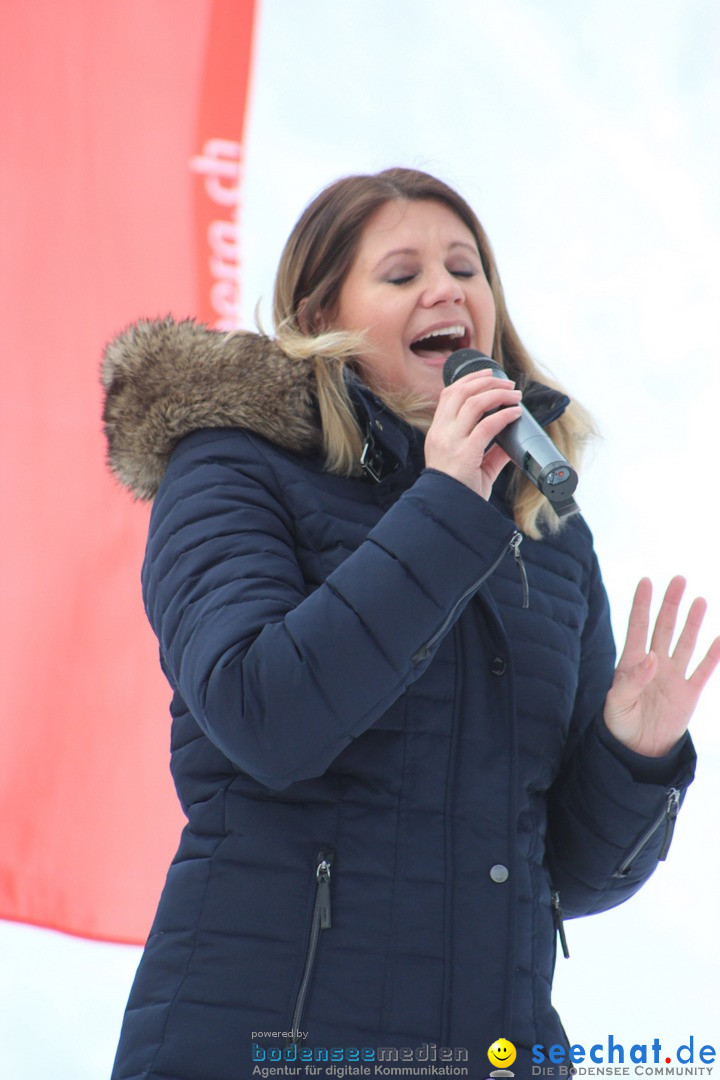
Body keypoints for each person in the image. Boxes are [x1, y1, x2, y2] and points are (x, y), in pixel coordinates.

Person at [102, 167, 719, 1080]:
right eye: (401, 275)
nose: (448, 289)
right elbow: (264, 717)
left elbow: (571, 877)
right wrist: (444, 505)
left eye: (466, 268)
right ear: (324, 316)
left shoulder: (547, 538)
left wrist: (633, 754)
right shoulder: (232, 470)